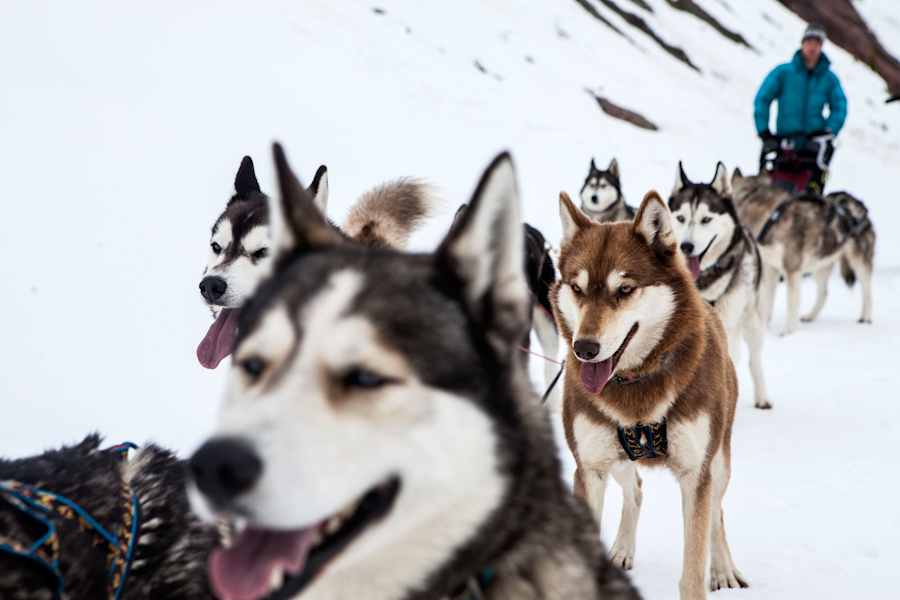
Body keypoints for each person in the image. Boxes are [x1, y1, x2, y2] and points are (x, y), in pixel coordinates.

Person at [754, 23, 847, 193]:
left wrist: (828, 131)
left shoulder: (829, 79)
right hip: (783, 144)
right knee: (774, 193)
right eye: (809, 41)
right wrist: (764, 132)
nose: (812, 47)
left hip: (814, 147)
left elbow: (840, 106)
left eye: (817, 43)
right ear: (802, 43)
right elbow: (762, 99)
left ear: (822, 46)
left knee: (810, 197)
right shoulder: (783, 73)